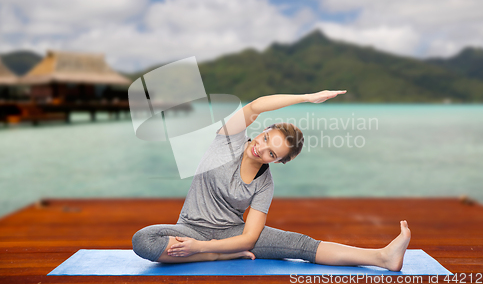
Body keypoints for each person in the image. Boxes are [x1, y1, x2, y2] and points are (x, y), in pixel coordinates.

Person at [132, 90, 411, 271]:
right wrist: (307, 98)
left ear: (277, 161)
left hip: (233, 236)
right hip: (191, 228)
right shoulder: (227, 141)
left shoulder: (265, 184)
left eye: (272, 152)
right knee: (144, 240)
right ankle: (219, 257)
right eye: (265, 138)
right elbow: (256, 105)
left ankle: (382, 257)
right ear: (263, 130)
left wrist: (202, 248)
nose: (261, 148)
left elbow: (250, 237)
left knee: (302, 245)